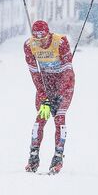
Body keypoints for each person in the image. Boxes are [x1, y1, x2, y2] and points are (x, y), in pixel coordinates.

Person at [23, 20, 75, 175]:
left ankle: (58, 157)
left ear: (48, 34)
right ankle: (33, 157)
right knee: (42, 116)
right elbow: (35, 74)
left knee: (59, 116)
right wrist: (43, 95)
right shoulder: (29, 45)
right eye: (37, 39)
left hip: (64, 83)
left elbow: (67, 72)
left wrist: (60, 94)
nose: (41, 42)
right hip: (46, 84)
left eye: (43, 39)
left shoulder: (61, 42)